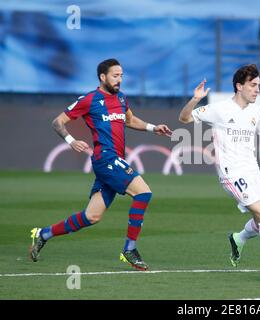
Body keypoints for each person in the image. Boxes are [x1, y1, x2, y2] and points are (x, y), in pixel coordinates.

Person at [29, 58, 172, 271]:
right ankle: (129, 249)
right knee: (143, 193)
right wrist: (71, 140)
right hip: (106, 159)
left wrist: (153, 127)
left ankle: (44, 234)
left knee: (92, 216)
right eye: (115, 75)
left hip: (115, 159)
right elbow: (57, 122)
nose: (119, 80)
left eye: (122, 75)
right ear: (102, 77)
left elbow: (130, 120)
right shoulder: (89, 99)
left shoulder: (122, 98)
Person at [178, 64, 260, 278]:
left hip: (252, 170)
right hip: (231, 173)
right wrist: (195, 99)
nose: (257, 90)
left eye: (259, 86)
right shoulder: (220, 109)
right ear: (239, 86)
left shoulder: (257, 111)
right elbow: (184, 119)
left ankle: (239, 238)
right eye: (253, 85)